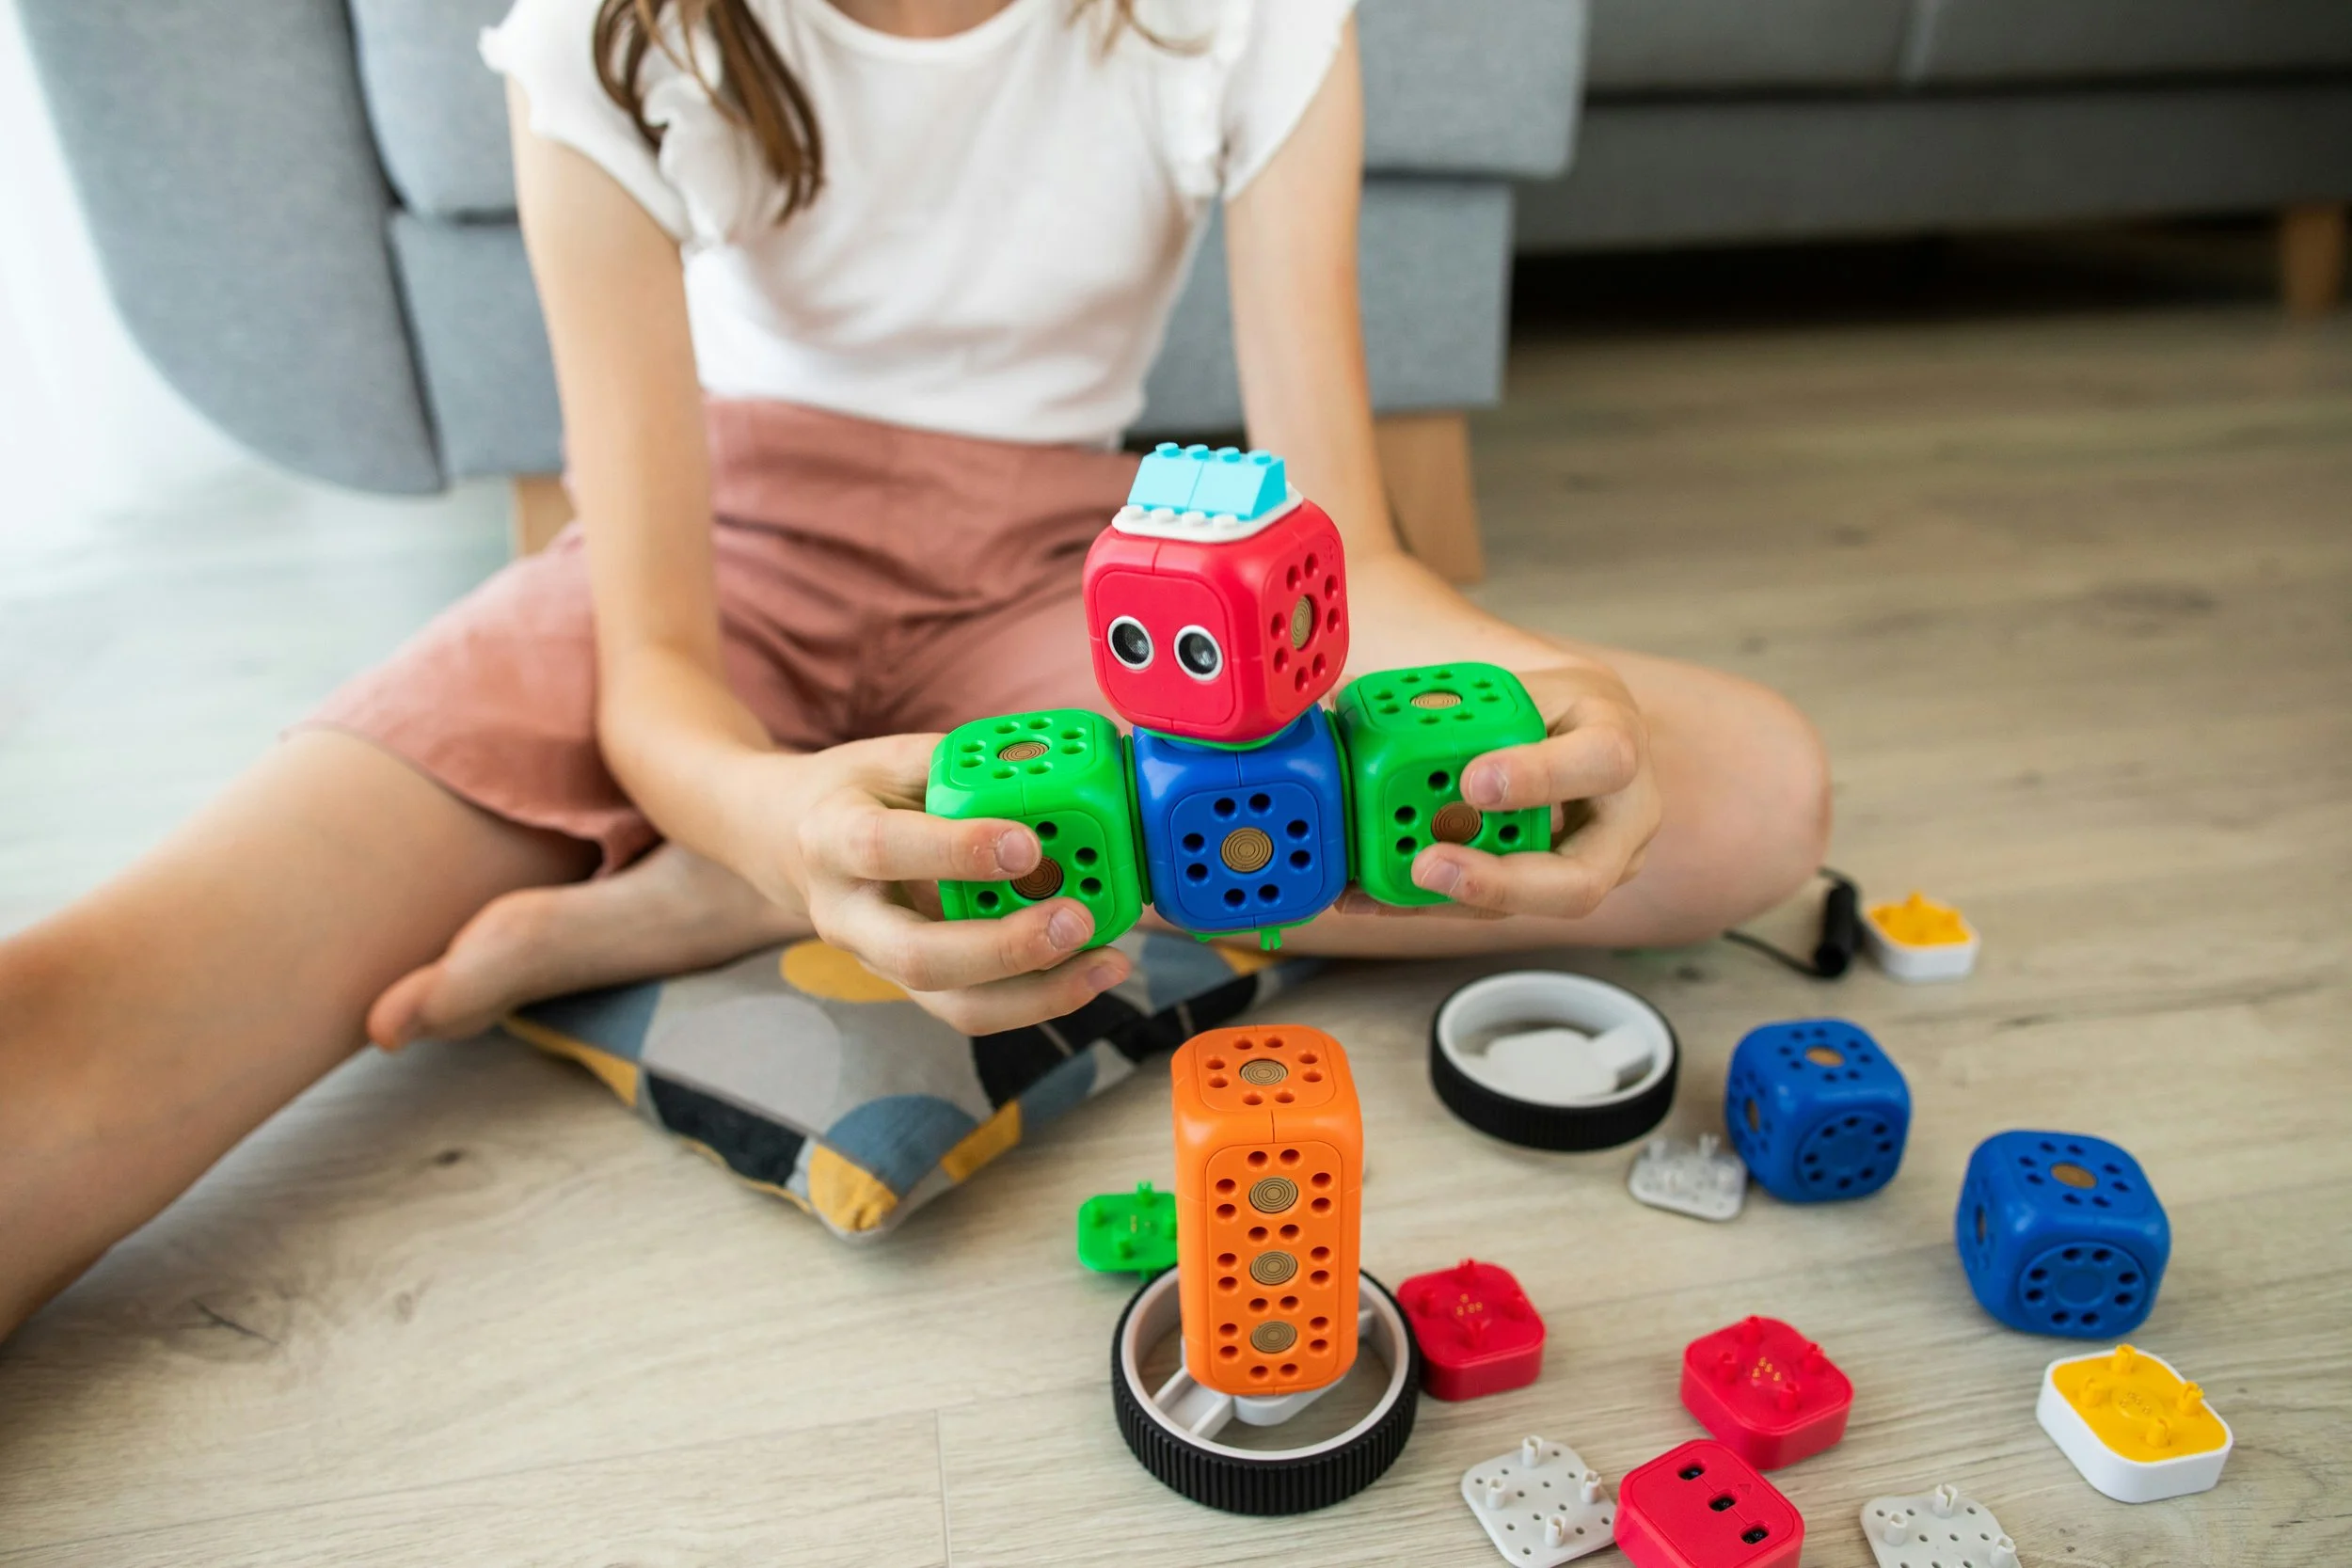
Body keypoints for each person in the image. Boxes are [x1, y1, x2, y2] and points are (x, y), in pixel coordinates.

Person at [0, 0, 1828, 1336]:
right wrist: (772, 813)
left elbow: (1331, 549)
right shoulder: (605, 38)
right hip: (726, 556)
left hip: (1068, 572)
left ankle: (711, 890)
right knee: (89, 1016)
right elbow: (650, 668)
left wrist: (1521, 694)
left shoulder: (1241, 20)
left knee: (1747, 790)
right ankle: (765, 860)